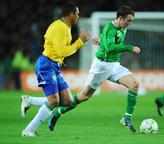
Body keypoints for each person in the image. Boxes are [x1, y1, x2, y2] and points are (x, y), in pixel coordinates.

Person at [48, 5, 141, 133]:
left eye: (131, 20)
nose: (130, 23)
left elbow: (108, 44)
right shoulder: (110, 28)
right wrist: (130, 48)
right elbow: (110, 48)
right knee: (85, 96)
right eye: (128, 20)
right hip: (101, 66)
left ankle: (127, 118)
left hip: (114, 65)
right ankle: (58, 112)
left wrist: (102, 42)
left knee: (134, 85)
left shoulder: (122, 27)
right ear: (120, 18)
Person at [22, 2, 90, 137]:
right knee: (54, 101)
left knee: (68, 101)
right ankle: (28, 130)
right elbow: (61, 52)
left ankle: (30, 100)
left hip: (54, 66)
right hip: (46, 65)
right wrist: (80, 42)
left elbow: (59, 51)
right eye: (77, 13)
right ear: (71, 14)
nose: (78, 16)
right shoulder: (60, 27)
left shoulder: (64, 27)